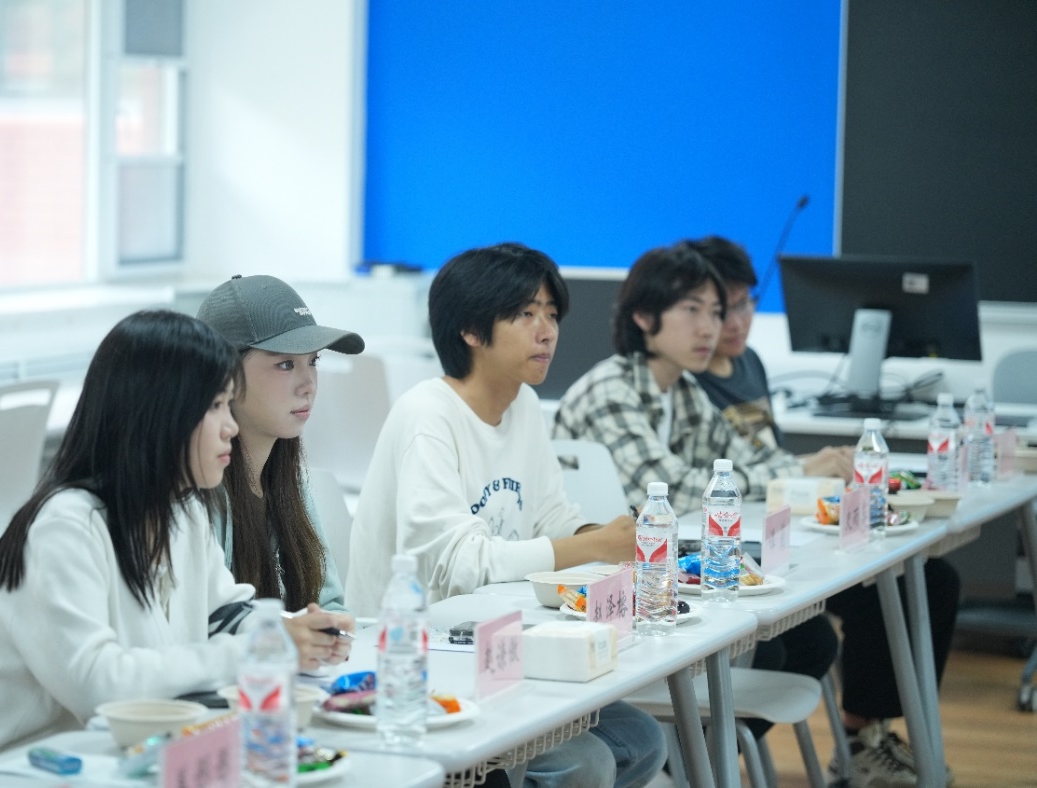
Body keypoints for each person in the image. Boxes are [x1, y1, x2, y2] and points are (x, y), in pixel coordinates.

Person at [347, 242, 665, 788]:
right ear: (471, 330)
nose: (547, 332)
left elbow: (551, 516)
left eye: (552, 314)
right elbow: (459, 564)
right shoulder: (428, 415)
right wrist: (594, 546)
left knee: (641, 740)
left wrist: (612, 539)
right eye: (525, 314)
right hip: (418, 663)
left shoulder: (523, 405)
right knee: (589, 761)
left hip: (499, 644)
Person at [689, 235, 960, 788]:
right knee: (819, 630)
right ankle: (700, 761)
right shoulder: (690, 381)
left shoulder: (749, 364)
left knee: (928, 578)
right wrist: (800, 470)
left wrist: (815, 478)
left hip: (788, 529)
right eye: (721, 308)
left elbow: (770, 460)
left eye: (744, 304)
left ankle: (866, 734)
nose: (736, 321)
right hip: (741, 548)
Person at [551, 241, 841, 743]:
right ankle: (694, 765)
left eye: (715, 311)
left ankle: (702, 763)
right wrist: (796, 472)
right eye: (692, 310)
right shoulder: (610, 390)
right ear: (644, 316)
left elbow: (740, 460)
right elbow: (681, 491)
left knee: (809, 638)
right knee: (771, 645)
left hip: (666, 577)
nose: (709, 328)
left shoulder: (682, 389)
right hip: (606, 592)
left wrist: (802, 467)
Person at [0, 310, 256, 766]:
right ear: (159, 413)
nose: (231, 426)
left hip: (127, 759)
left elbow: (226, 613)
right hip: (24, 770)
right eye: (215, 406)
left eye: (229, 405)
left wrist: (280, 634)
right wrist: (245, 654)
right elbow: (100, 687)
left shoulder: (184, 510)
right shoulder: (66, 527)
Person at [197, 274, 360, 672]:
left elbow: (328, 604)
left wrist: (330, 630)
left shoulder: (291, 481)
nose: (308, 385)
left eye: (313, 362)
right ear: (225, 375)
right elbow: (200, 632)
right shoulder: (198, 493)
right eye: (285, 364)